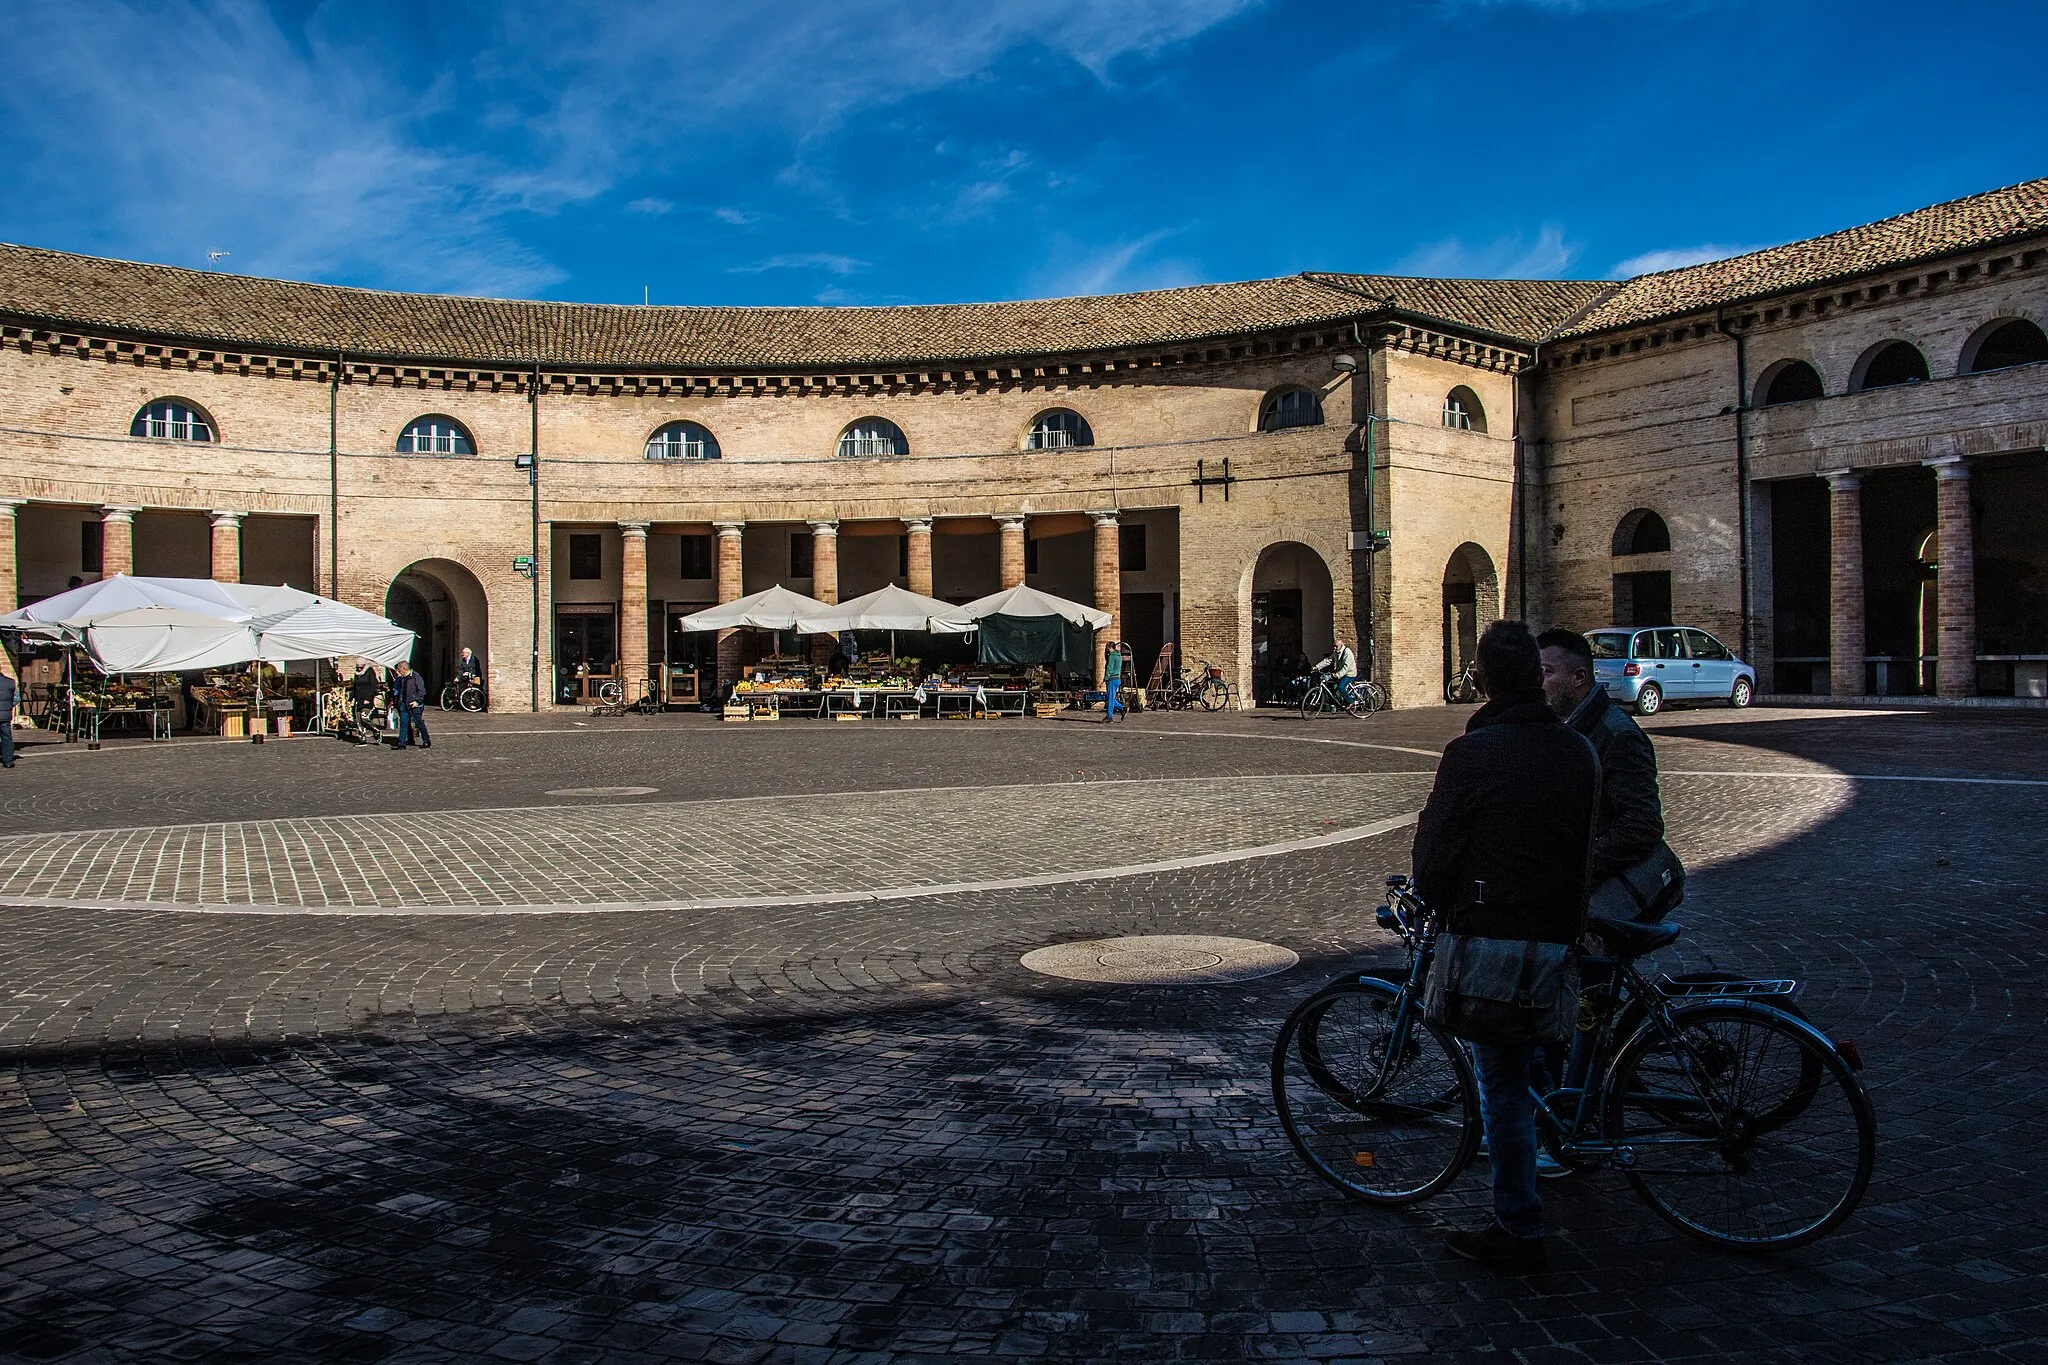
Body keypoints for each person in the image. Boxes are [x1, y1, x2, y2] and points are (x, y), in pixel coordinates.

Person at [1411, 620, 1599, 1271]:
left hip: (1498, 944)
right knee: (1539, 1063)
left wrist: (1442, 897)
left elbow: (1434, 857)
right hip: (1559, 940)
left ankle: (1518, 1221)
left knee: (1503, 1086)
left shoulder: (1474, 753)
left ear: (1486, 678)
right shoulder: (1578, 751)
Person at [1536, 629, 1666, 914]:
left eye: (1546, 673)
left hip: (1596, 894)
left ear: (1579, 677)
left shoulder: (1617, 736)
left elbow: (1642, 825)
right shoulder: (1564, 726)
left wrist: (1579, 864)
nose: (1539, 684)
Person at [390, 660, 430, 749]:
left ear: (403, 669)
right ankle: (402, 743)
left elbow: (422, 691)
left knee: (419, 723)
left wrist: (417, 701)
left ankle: (426, 740)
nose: (398, 672)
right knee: (403, 724)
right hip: (403, 704)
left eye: (399, 670)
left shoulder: (416, 677)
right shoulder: (402, 679)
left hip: (413, 705)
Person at [1317, 638, 1359, 705]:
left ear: (1341, 645)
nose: (1334, 648)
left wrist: (1337, 675)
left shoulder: (1347, 653)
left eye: (1336, 646)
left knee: (1341, 686)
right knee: (1331, 685)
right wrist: (1317, 667)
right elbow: (1328, 660)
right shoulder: (1336, 653)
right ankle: (1335, 703)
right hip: (1341, 673)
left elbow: (1346, 667)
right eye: (1333, 646)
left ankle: (1351, 701)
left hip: (1349, 673)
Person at [1102, 640, 1125, 722]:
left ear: (1109, 647)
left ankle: (1109, 716)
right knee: (1109, 697)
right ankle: (1122, 708)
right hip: (1117, 679)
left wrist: (1105, 679)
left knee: (1110, 699)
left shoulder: (1112, 656)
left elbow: (1109, 668)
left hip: (1112, 679)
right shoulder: (1119, 656)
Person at [0, 669, 16, 768]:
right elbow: (17, 698)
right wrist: (8, 706)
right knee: (7, 738)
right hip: (5, 715)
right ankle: (8, 761)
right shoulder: (10, 682)